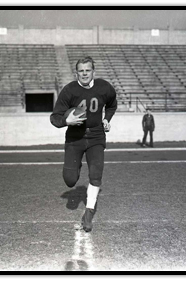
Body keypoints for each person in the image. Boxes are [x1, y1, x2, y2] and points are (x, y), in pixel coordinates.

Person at [50, 56, 117, 232]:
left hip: (96, 137)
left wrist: (106, 119)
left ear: (93, 71)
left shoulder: (104, 87)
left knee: (96, 174)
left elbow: (112, 104)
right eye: (81, 70)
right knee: (70, 180)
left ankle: (88, 212)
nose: (85, 73)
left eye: (88, 70)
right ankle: (76, 164)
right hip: (75, 138)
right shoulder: (69, 90)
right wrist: (67, 120)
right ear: (77, 72)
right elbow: (54, 117)